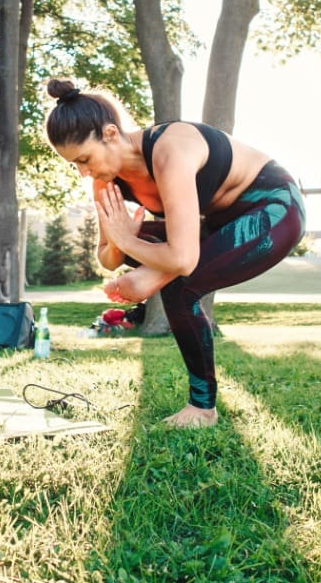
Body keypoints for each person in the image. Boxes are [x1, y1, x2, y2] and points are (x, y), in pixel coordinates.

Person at [45, 79, 305, 428]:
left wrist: (132, 243)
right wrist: (124, 242)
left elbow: (183, 260)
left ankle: (202, 409)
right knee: (173, 268)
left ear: (110, 133)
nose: (83, 171)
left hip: (273, 209)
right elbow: (107, 258)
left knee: (182, 284)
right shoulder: (105, 179)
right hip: (209, 228)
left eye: (84, 159)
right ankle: (156, 273)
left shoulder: (170, 150)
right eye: (74, 164)